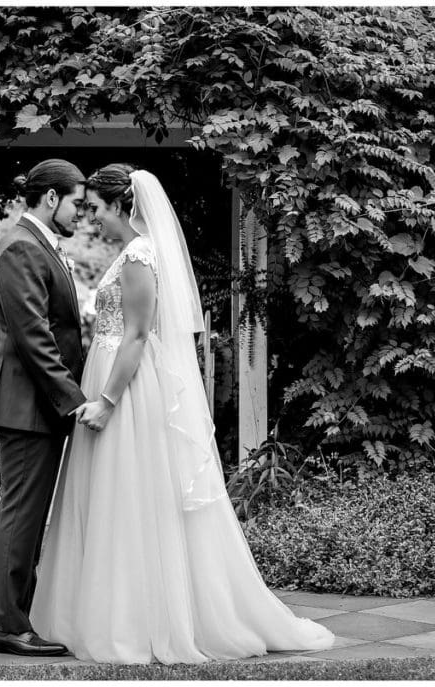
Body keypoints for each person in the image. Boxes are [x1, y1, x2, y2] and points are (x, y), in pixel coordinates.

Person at [29, 164, 335, 663]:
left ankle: (136, 620)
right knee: (115, 499)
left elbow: (136, 335)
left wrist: (106, 402)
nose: (95, 220)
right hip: (113, 381)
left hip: (126, 392)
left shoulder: (138, 256)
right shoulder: (132, 253)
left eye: (99, 210)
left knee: (128, 498)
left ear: (120, 207)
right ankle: (104, 611)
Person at [0, 159, 88, 657]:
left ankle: (17, 617)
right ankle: (6, 626)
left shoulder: (37, 243)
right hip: (27, 405)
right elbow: (33, 337)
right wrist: (74, 400)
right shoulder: (22, 246)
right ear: (51, 198)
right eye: (76, 202)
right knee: (21, 516)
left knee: (27, 515)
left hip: (35, 405)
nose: (81, 212)